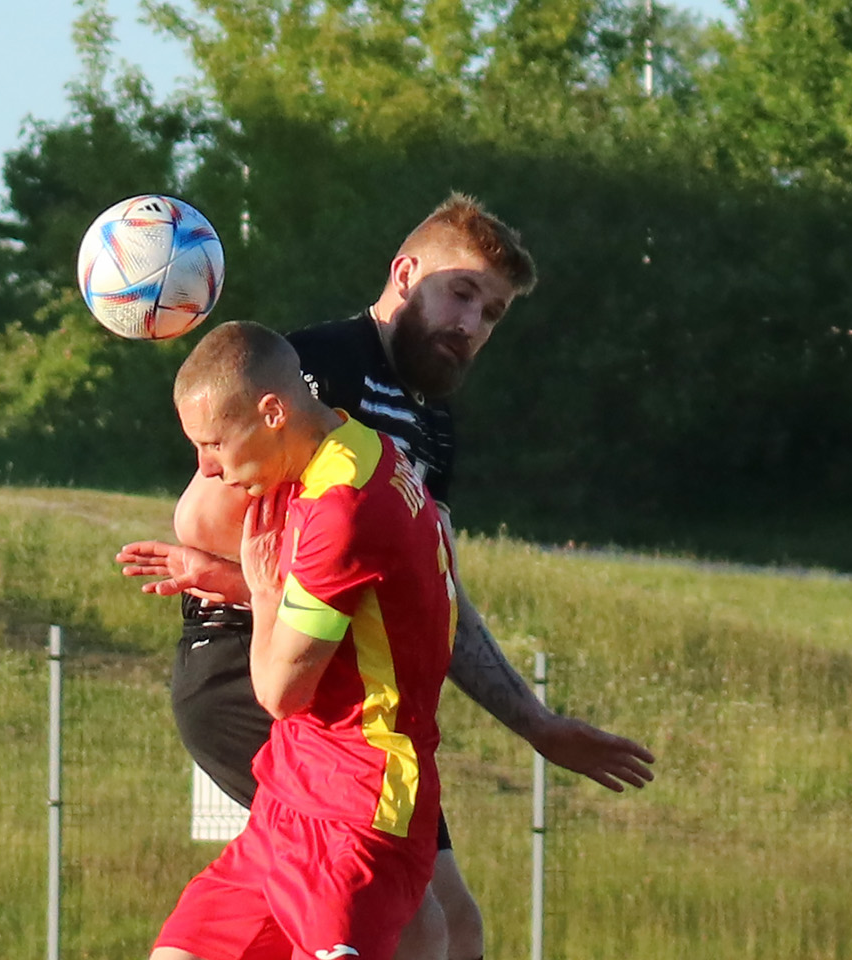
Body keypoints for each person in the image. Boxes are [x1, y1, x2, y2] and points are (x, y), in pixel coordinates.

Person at [118, 194, 656, 960]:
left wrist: (535, 723)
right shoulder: (322, 368)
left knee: (449, 924)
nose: (471, 325)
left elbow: (431, 590)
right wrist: (266, 590)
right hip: (254, 666)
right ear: (405, 275)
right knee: (412, 924)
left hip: (348, 688)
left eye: (492, 313)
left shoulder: (428, 424)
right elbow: (206, 519)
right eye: (460, 294)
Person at [152, 320, 458, 960]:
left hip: (357, 813)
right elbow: (357, 608)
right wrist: (230, 578)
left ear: (273, 412)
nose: (207, 467)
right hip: (288, 797)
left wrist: (264, 593)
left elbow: (279, 692)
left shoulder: (341, 509)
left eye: (214, 444)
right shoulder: (361, 446)